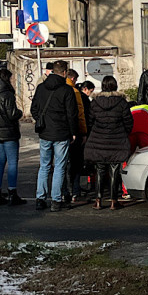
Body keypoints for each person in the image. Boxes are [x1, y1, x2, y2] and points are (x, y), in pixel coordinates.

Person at [31, 60, 79, 212]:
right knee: (59, 166)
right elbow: (72, 114)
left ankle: (40, 198)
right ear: (65, 73)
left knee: (44, 166)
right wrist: (73, 132)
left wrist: (41, 120)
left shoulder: (40, 87)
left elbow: (34, 109)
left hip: (45, 132)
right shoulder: (67, 90)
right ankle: (56, 200)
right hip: (61, 133)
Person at [84, 76, 134, 210]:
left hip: (98, 141)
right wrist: (123, 133)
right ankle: (113, 201)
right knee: (114, 170)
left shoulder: (95, 102)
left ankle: (98, 201)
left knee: (99, 170)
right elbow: (129, 122)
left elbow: (89, 121)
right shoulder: (122, 102)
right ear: (115, 86)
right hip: (117, 140)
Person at [0, 69, 26, 206]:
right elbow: (12, 114)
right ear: (8, 79)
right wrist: (20, 112)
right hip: (8, 132)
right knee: (12, 162)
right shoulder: (7, 94)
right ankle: (12, 193)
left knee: (0, 162)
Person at [64, 69, 87, 204]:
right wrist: (83, 132)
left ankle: (63, 192)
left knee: (63, 164)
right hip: (75, 132)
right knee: (76, 162)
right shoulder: (75, 92)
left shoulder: (57, 89)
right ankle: (76, 191)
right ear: (72, 79)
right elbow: (80, 113)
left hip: (59, 132)